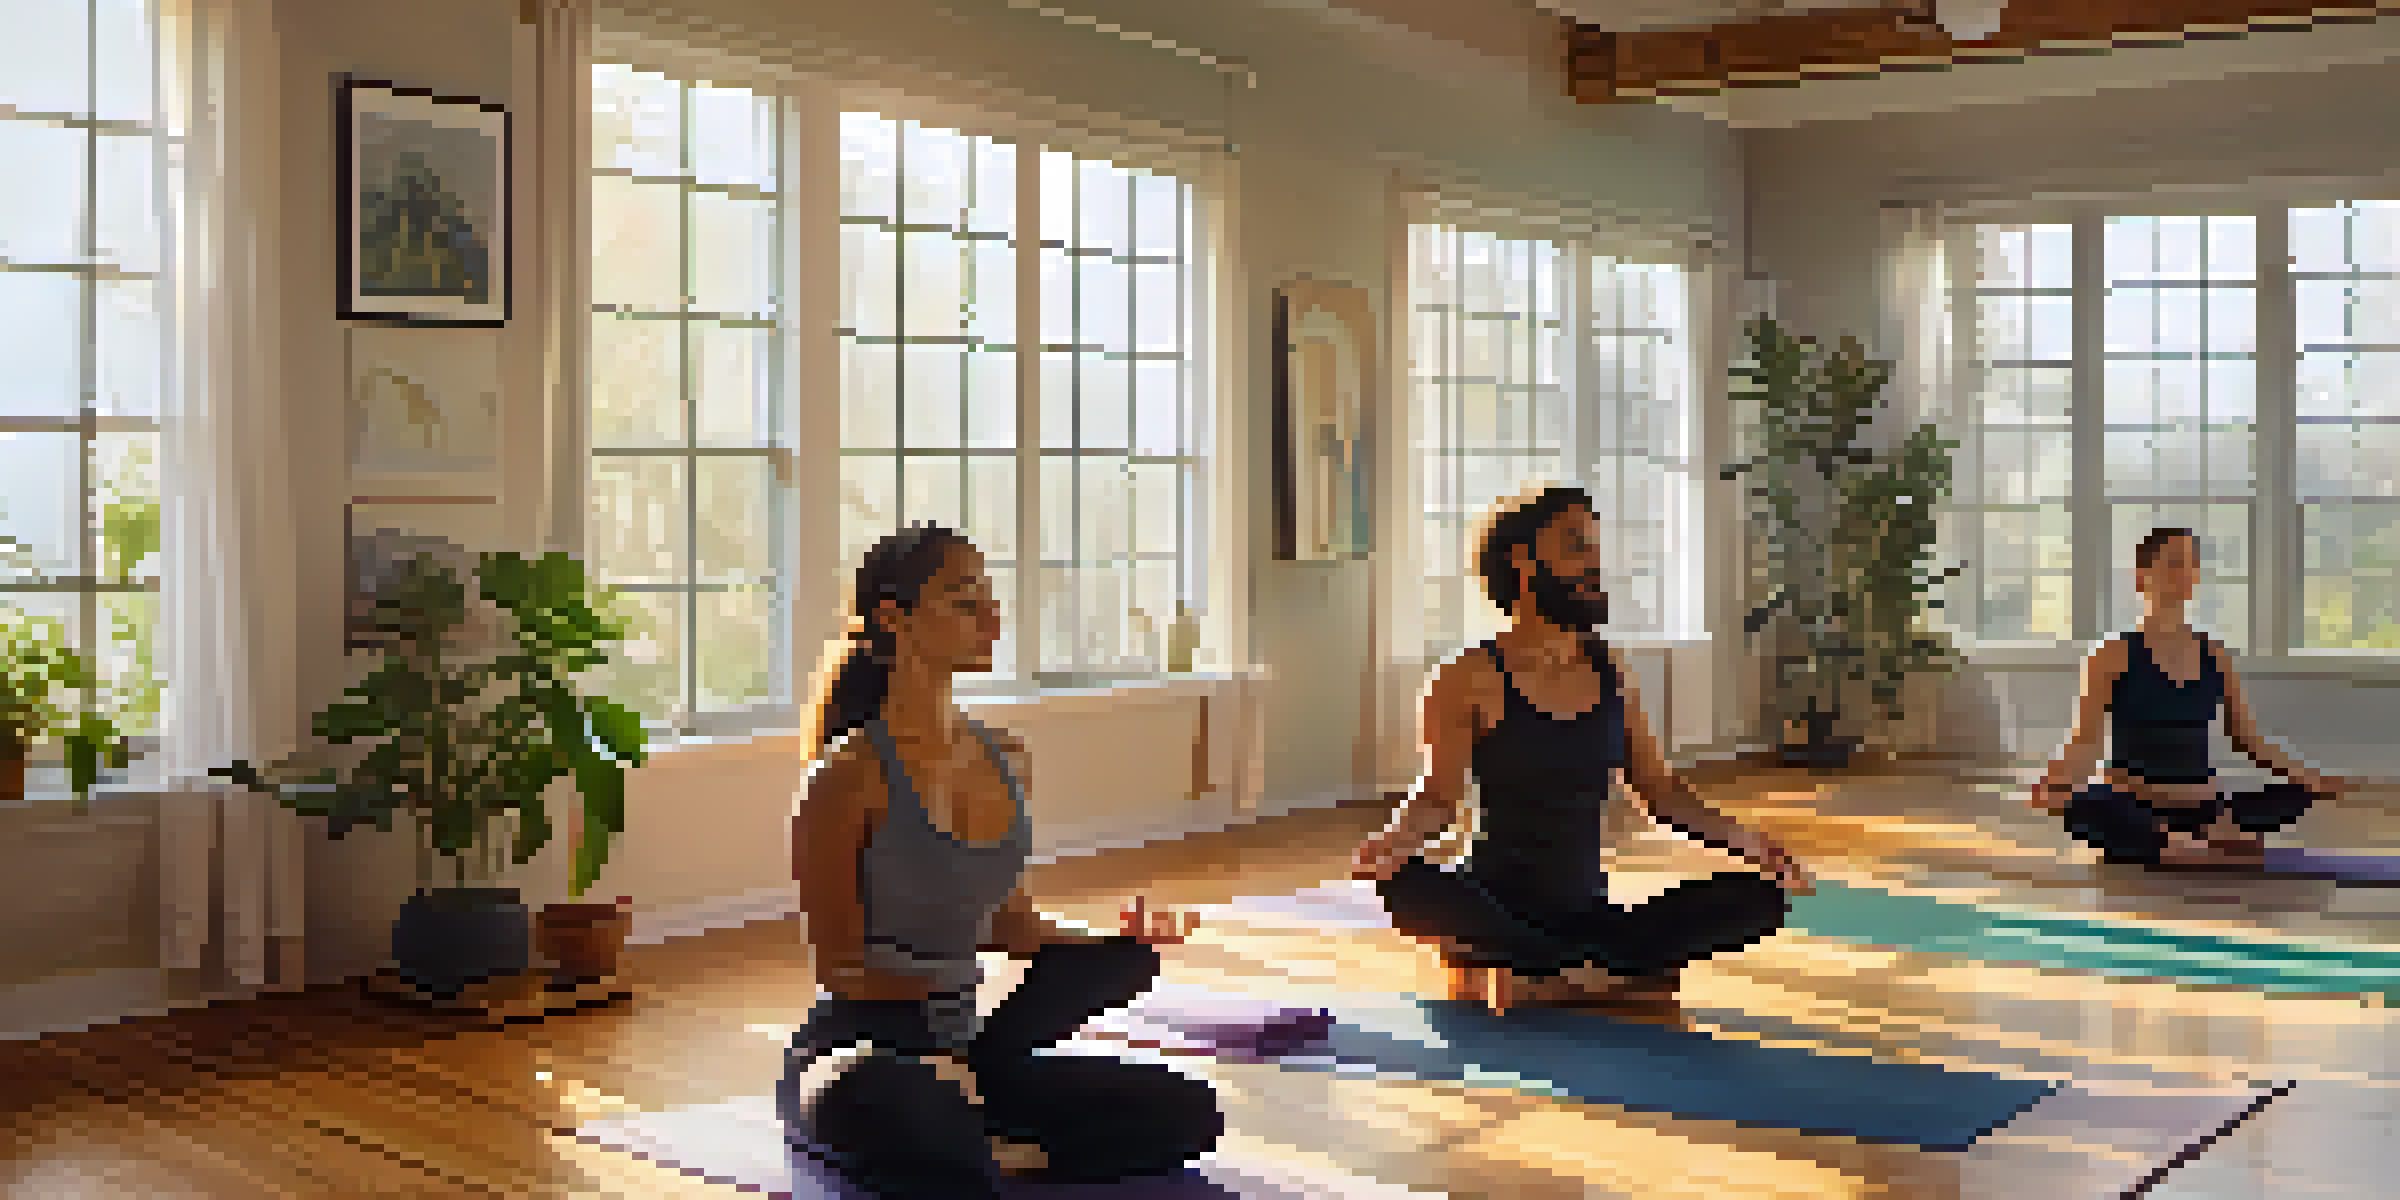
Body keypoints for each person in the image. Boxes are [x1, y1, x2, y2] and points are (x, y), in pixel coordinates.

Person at [780, 521, 1222, 1198]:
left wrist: (1112, 941)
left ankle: (992, 1144)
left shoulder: (1008, 757)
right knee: (895, 1105)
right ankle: (975, 1136)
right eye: (965, 600)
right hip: (866, 1051)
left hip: (970, 1054)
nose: (992, 615)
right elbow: (839, 968)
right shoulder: (846, 777)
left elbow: (1012, 925)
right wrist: (935, 1022)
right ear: (895, 618)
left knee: (1191, 1112)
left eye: (991, 595)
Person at [1352, 484, 1813, 1015]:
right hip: (1494, 904)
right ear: (1522, 561)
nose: (1594, 565)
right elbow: (1437, 798)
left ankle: (1542, 973)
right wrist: (1395, 837)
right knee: (1406, 886)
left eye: (1595, 547)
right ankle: (1594, 972)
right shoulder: (1468, 676)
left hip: (1588, 913)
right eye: (1576, 546)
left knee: (1761, 898)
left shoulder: (1612, 672)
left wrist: (1747, 841)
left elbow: (1660, 792)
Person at [2031, 526, 2355, 868]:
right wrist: (2056, 779)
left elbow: (2249, 741)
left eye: (2191, 564)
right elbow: (2085, 742)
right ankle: (2181, 842)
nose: (2185, 573)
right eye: (2173, 563)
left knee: (2296, 795)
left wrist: (2311, 778)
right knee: (2083, 805)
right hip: (2137, 803)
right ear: (2142, 576)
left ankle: (2190, 839)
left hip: (2205, 806)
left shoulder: (2215, 654)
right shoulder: (2111, 655)